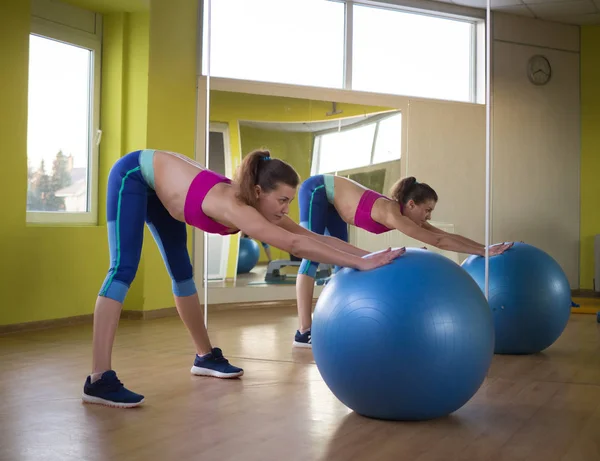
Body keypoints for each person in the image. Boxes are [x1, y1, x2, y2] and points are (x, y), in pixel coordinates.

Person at [83, 149, 405, 408]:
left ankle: (205, 356)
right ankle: (99, 379)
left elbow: (311, 237)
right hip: (135, 176)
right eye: (282, 200)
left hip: (163, 192)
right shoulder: (236, 206)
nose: (285, 209)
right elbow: (295, 245)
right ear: (258, 191)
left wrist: (367, 257)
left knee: (182, 274)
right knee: (123, 268)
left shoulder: (259, 205)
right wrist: (358, 265)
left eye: (289, 201)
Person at [293, 174, 514, 348]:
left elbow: (443, 236)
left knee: (343, 264)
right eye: (427, 210)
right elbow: (439, 240)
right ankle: (303, 332)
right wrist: (483, 251)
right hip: (318, 190)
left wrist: (482, 248)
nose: (428, 217)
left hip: (334, 204)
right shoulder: (392, 213)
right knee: (313, 254)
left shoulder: (402, 213)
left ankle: (340, 323)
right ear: (410, 204)